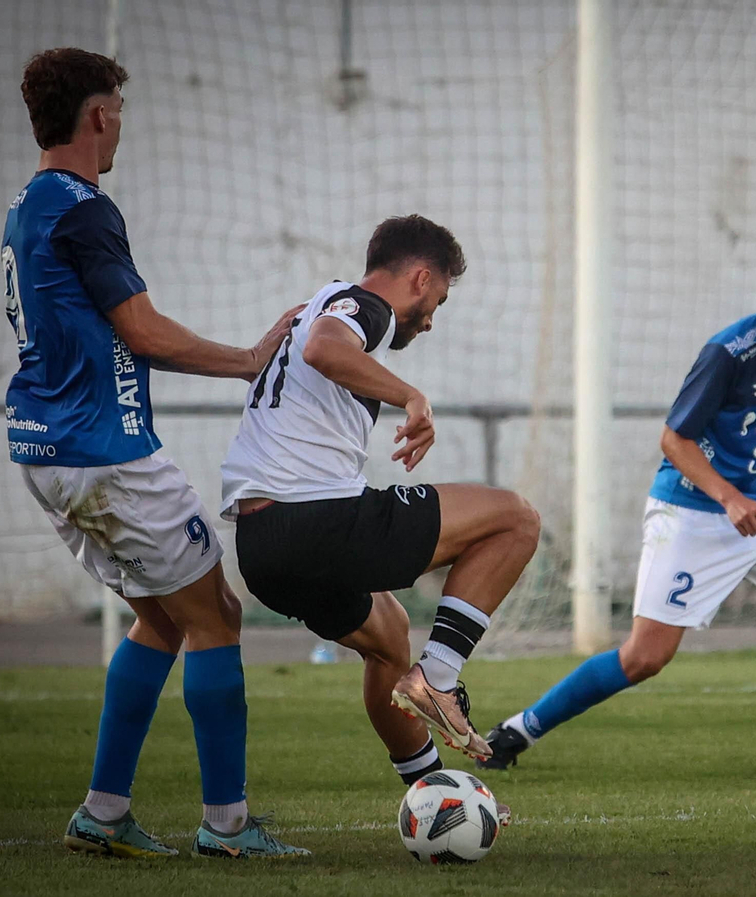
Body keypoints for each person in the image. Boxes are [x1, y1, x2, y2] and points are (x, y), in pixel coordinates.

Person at [478, 228, 756, 771]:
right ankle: (515, 732)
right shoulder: (732, 351)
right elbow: (674, 438)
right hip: (690, 514)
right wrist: (728, 497)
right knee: (645, 657)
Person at [6, 48, 307, 858]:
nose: (119, 131)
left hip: (45, 449)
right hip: (106, 454)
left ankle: (103, 814)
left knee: (161, 619)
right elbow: (138, 329)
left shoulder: (27, 205)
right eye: (119, 113)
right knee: (218, 615)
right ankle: (228, 826)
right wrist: (247, 358)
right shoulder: (85, 207)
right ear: (97, 115)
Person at [221, 215, 541, 784]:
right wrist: (411, 397)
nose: (432, 320)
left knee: (389, 638)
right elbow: (324, 348)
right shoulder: (364, 307)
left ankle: (433, 792)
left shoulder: (313, 305)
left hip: (262, 547)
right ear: (420, 278)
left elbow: (311, 345)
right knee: (514, 520)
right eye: (438, 300)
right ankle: (439, 679)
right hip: (316, 518)